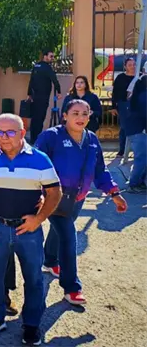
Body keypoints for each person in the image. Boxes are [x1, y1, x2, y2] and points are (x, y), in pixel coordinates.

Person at [0, 114, 63, 345]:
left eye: (10, 132)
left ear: (22, 133)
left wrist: (39, 218)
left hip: (28, 231)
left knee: (33, 278)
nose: (4, 137)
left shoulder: (40, 159)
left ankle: (31, 324)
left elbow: (55, 192)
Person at [35, 99, 127, 305]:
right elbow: (35, 164)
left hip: (77, 198)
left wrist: (114, 193)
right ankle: (72, 287)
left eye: (85, 114)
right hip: (54, 197)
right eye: (75, 113)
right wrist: (38, 193)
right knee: (69, 236)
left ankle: (50, 260)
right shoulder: (51, 137)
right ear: (65, 115)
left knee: (59, 231)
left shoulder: (92, 139)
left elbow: (100, 171)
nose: (81, 118)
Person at [26, 49, 62, 143]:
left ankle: (33, 138)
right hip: (43, 97)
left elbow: (31, 81)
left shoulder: (36, 66)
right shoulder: (47, 67)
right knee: (40, 118)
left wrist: (29, 94)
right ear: (45, 56)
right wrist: (59, 91)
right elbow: (54, 79)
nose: (52, 59)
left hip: (35, 97)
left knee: (34, 118)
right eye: (51, 56)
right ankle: (37, 139)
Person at [125, 65, 147, 192]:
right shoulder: (143, 94)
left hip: (137, 129)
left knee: (143, 158)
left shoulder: (140, 90)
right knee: (142, 158)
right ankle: (133, 184)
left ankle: (138, 182)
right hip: (139, 130)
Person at [112, 57, 136, 156]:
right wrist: (113, 106)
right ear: (125, 66)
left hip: (137, 105)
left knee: (137, 128)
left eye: (134, 64)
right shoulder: (120, 78)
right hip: (123, 104)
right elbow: (115, 93)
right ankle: (122, 149)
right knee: (124, 127)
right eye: (130, 65)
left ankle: (136, 150)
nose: (132, 67)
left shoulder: (140, 77)